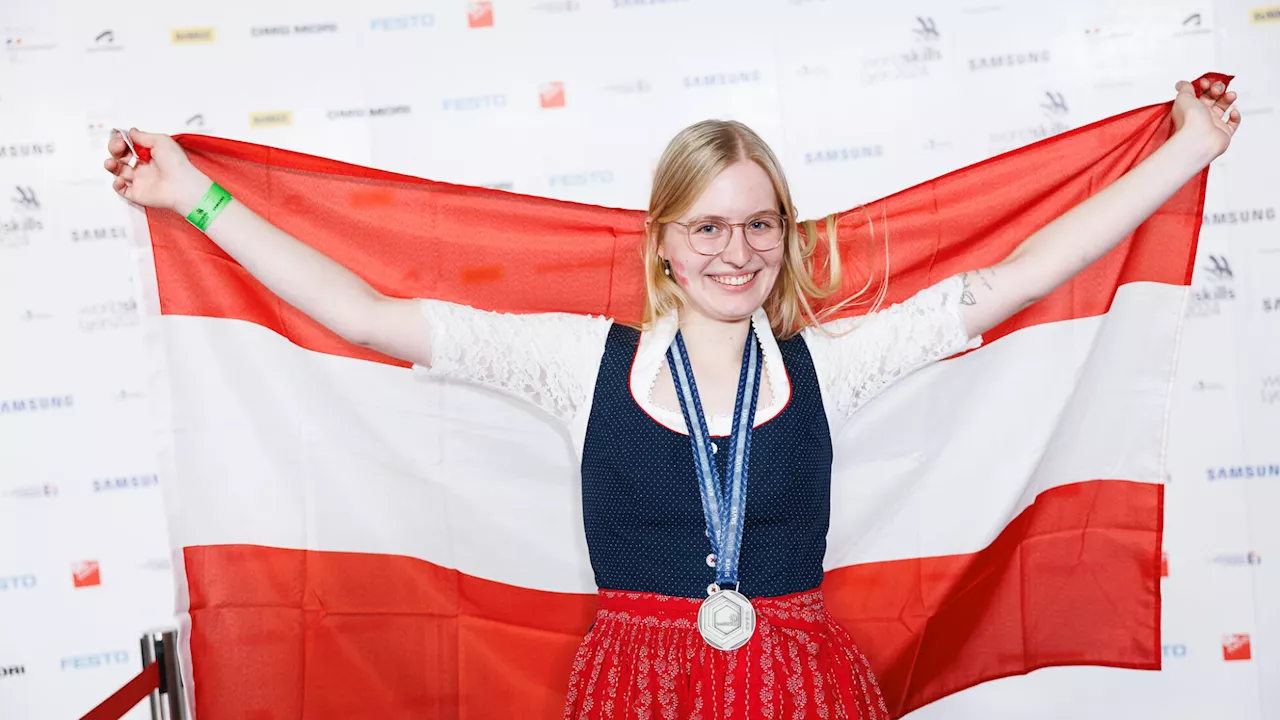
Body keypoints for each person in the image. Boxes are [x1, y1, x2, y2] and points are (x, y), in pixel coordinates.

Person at [104, 78, 1239, 718]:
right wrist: (188, 195)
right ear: (664, 241)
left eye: (758, 224)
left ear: (780, 237)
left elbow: (1010, 283)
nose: (735, 251)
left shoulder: (825, 363)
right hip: (634, 690)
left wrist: (1183, 153)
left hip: (800, 685)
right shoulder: (573, 363)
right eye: (708, 225)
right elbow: (362, 316)